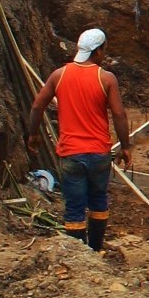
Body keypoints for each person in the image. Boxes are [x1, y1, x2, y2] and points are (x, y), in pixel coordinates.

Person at [26, 27, 131, 251]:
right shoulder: (106, 78)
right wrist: (126, 146)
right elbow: (119, 114)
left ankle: (78, 256)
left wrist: (33, 135)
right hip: (99, 153)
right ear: (99, 51)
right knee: (98, 201)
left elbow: (37, 106)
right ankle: (95, 248)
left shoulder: (59, 75)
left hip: (71, 154)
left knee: (74, 207)